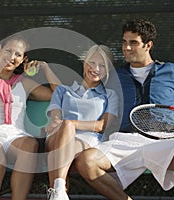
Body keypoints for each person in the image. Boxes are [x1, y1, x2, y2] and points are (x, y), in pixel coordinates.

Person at [75, 19, 174, 200]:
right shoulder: (114, 75)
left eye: (133, 43)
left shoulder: (172, 71)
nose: (126, 47)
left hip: (166, 139)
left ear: (148, 45)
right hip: (125, 140)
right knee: (86, 162)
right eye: (124, 42)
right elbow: (82, 89)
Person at [0, 35, 60, 200]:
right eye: (8, 51)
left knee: (31, 145)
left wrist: (45, 68)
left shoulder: (24, 83)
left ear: (24, 59)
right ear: (0, 50)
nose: (12, 57)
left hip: (15, 136)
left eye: (18, 54)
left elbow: (59, 94)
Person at [45, 44, 120, 200]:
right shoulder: (62, 90)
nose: (96, 68)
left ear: (107, 71)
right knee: (62, 135)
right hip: (57, 136)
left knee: (57, 150)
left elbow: (101, 126)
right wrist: (60, 123)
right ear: (84, 63)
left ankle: (57, 190)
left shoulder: (110, 95)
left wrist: (71, 123)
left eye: (102, 65)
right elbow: (55, 117)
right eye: (92, 63)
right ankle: (59, 190)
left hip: (88, 141)